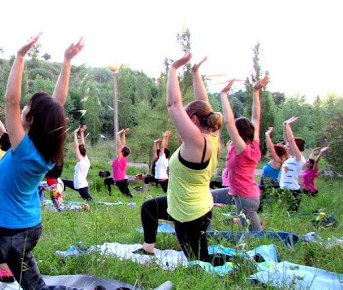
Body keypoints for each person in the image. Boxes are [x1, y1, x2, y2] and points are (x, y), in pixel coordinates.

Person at [0, 35, 109, 290]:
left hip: (15, 234)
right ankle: (5, 269)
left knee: (36, 289)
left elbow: (11, 102)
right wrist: (67, 62)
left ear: (32, 119)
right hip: (23, 224)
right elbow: (55, 106)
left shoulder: (24, 149)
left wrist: (20, 56)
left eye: (27, 108)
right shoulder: (46, 148)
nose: (22, 108)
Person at [140, 54, 223, 262]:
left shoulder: (197, 143)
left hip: (190, 216)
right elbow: (205, 104)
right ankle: (148, 248)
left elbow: (173, 104)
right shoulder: (212, 137)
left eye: (186, 117)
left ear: (193, 119)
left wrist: (174, 69)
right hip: (190, 206)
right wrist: (195, 73)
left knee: (199, 263)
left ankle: (243, 265)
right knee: (149, 208)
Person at [220, 76, 269, 231]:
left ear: (239, 133)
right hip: (246, 195)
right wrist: (255, 91)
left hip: (245, 198)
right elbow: (256, 117)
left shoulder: (243, 149)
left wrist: (223, 95)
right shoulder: (253, 143)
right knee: (207, 197)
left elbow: (228, 121)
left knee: (254, 235)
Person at [279, 116, 306, 212]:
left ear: (295, 148)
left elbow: (291, 140)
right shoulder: (290, 158)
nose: (286, 146)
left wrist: (288, 125)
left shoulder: (298, 159)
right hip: (284, 189)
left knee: (291, 215)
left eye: (289, 146)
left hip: (293, 191)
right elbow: (287, 140)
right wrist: (284, 125)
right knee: (283, 214)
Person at [62, 125, 93, 201]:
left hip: (80, 186)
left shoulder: (81, 161)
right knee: (62, 182)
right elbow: (82, 145)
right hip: (80, 184)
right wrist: (82, 133)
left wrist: (75, 134)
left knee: (90, 201)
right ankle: (61, 197)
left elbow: (76, 147)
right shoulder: (86, 159)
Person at [109, 128, 132, 197]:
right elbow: (123, 145)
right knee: (107, 181)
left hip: (122, 181)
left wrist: (118, 134)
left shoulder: (120, 159)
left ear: (122, 152)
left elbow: (120, 145)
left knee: (127, 196)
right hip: (119, 180)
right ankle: (109, 194)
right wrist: (123, 134)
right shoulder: (122, 158)